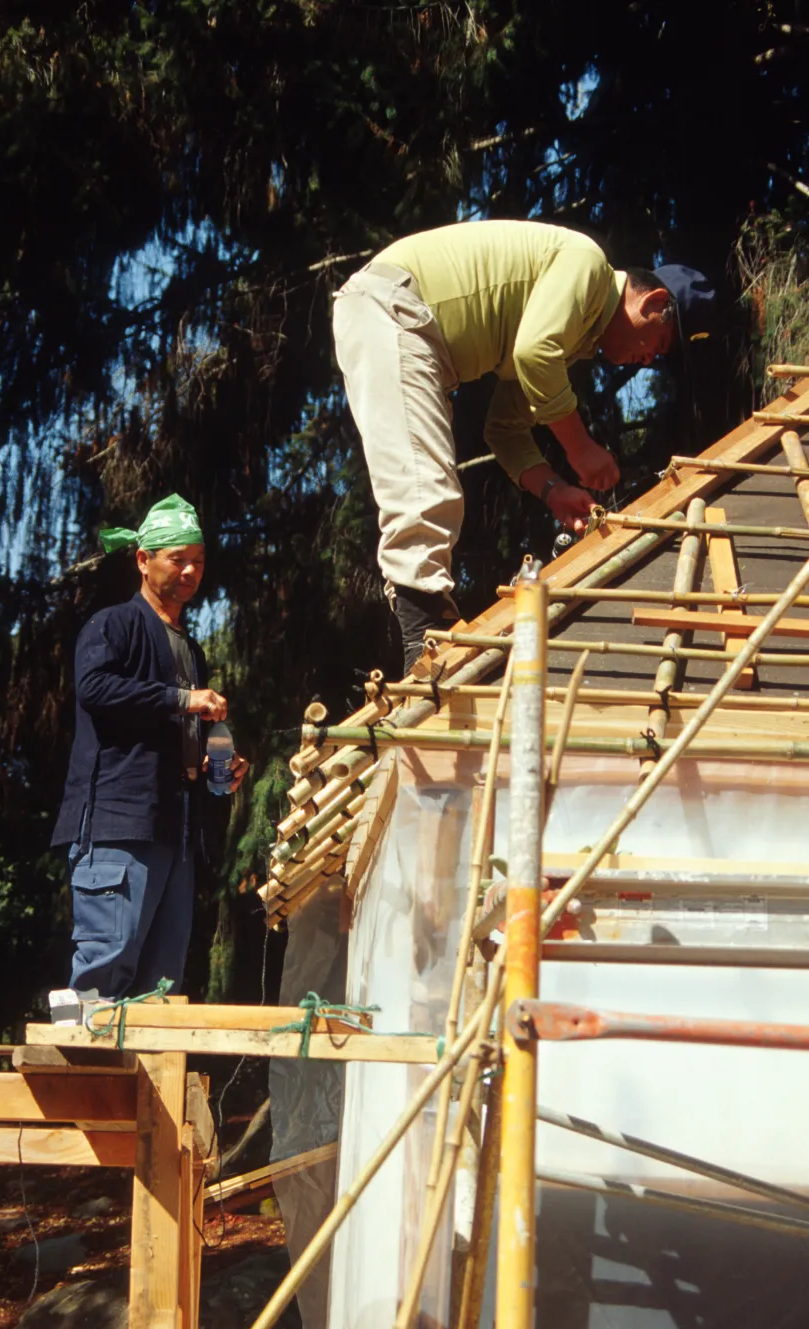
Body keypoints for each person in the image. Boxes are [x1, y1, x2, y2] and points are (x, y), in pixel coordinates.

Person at [332, 219, 716, 672]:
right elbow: (534, 355)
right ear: (651, 300)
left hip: (402, 320)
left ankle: (429, 627)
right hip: (393, 311)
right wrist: (580, 448)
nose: (650, 359)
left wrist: (554, 490)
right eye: (660, 342)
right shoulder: (588, 266)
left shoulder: (570, 338)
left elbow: (506, 430)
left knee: (427, 478)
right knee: (424, 483)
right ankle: (424, 638)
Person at [51, 493, 248, 1000]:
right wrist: (183, 698)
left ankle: (145, 1081)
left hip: (175, 828)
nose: (190, 571)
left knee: (161, 985)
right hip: (119, 823)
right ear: (143, 559)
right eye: (177, 559)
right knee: (105, 968)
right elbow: (94, 689)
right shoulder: (113, 624)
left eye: (198, 562)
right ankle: (85, 1078)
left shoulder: (189, 647)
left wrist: (210, 765)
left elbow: (171, 727)